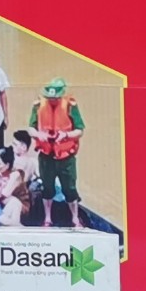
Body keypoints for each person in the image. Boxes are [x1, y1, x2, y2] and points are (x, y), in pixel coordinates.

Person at [32, 79, 88, 229]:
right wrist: (38, 135)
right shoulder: (38, 105)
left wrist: (66, 135)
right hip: (46, 156)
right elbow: (30, 128)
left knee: (70, 189)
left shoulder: (70, 106)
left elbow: (80, 130)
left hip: (65, 157)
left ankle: (75, 218)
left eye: (55, 98)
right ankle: (47, 218)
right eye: (50, 98)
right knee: (47, 188)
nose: (53, 100)